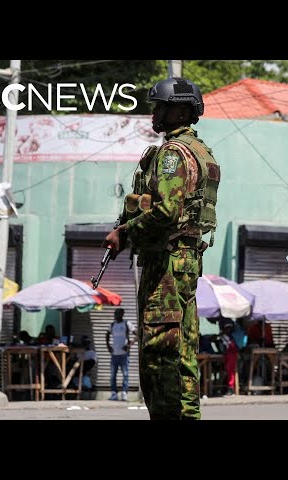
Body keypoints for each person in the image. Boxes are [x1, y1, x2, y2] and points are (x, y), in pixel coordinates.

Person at [104, 77, 220, 420]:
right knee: (183, 348)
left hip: (166, 262)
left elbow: (167, 211)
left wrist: (125, 230)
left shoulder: (173, 153)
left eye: (162, 107)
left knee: (159, 350)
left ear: (181, 110)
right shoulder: (202, 151)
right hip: (186, 260)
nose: (155, 113)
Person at [106, 308, 133, 401]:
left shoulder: (127, 324)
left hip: (124, 355)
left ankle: (124, 393)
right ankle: (114, 394)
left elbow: (137, 334)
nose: (115, 315)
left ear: (122, 314)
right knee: (113, 375)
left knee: (125, 374)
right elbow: (107, 334)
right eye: (115, 313)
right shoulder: (112, 325)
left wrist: (129, 344)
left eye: (117, 313)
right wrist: (108, 346)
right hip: (114, 354)